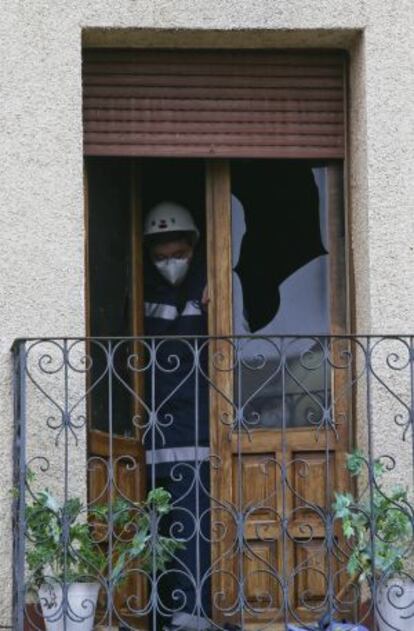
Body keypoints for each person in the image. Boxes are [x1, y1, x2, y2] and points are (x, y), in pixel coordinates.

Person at [143, 201, 211, 631]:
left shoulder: (213, 285)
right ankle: (157, 614)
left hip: (199, 431)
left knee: (194, 525)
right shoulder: (136, 288)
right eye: (162, 257)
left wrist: (219, 295)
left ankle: (195, 613)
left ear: (194, 249)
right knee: (153, 531)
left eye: (179, 255)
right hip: (146, 435)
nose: (171, 265)